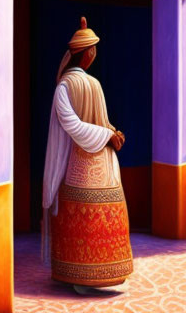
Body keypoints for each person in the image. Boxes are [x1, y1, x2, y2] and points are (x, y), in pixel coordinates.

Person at [42, 17, 133, 292]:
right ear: (89, 53)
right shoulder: (84, 85)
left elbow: (79, 125)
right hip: (99, 162)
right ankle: (88, 276)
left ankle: (78, 274)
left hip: (78, 165)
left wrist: (112, 132)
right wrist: (109, 135)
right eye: (94, 51)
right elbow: (80, 126)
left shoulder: (64, 87)